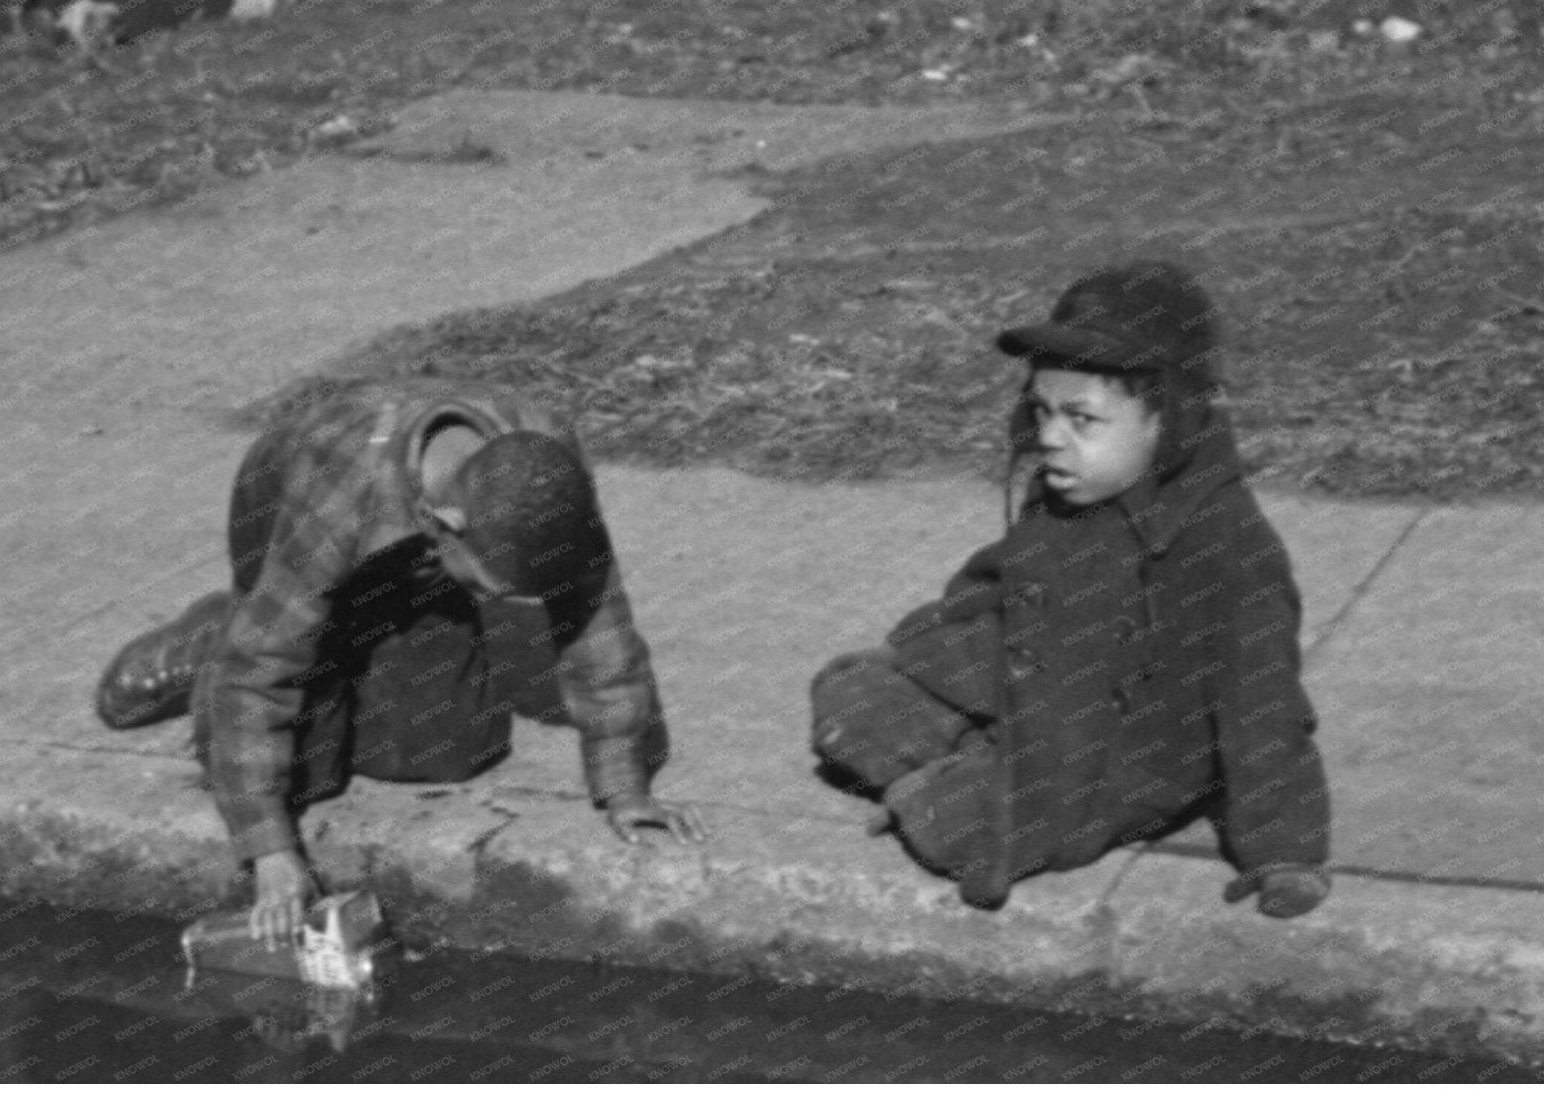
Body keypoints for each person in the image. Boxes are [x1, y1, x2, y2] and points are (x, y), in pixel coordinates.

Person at [97, 375, 702, 944]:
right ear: (448, 524)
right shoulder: (338, 490)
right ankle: (216, 634)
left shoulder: (544, 464)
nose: (500, 604)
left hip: (416, 551)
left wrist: (625, 787)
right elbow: (262, 678)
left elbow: (599, 628)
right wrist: (269, 850)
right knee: (303, 773)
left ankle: (372, 628)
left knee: (441, 755)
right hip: (292, 520)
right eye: (494, 590)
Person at [811, 262, 1331, 917]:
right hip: (1036, 695)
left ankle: (968, 782)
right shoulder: (1070, 492)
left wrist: (1283, 850)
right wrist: (934, 654)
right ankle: (976, 764)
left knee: (952, 826)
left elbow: (1265, 706)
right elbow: (996, 587)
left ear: (1169, 419)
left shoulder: (1226, 549)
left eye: (1082, 419)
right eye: (1042, 413)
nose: (1051, 439)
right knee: (848, 692)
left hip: (1119, 755)